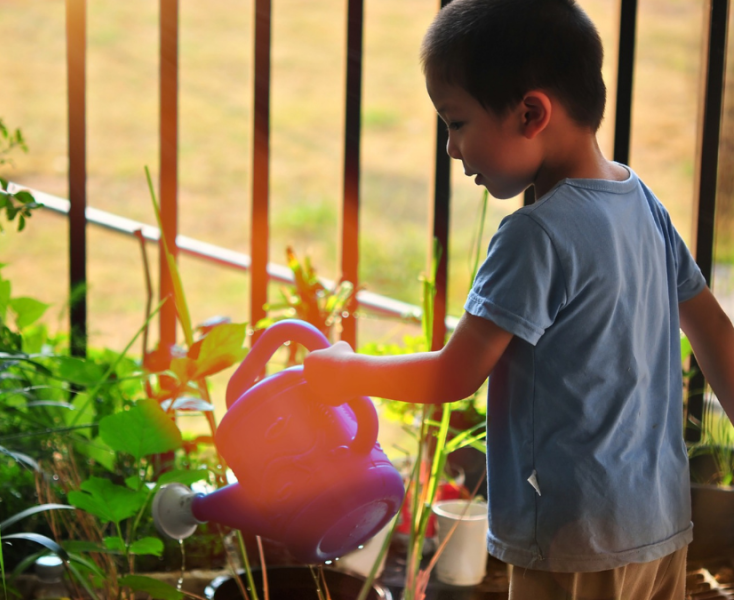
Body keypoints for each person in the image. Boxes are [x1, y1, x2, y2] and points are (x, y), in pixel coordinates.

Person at [303, 0, 734, 598]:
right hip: (660, 525)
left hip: (575, 540)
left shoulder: (537, 235)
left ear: (531, 112)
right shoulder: (642, 203)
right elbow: (714, 332)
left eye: (456, 123)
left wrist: (346, 374)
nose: (451, 149)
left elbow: (454, 374)